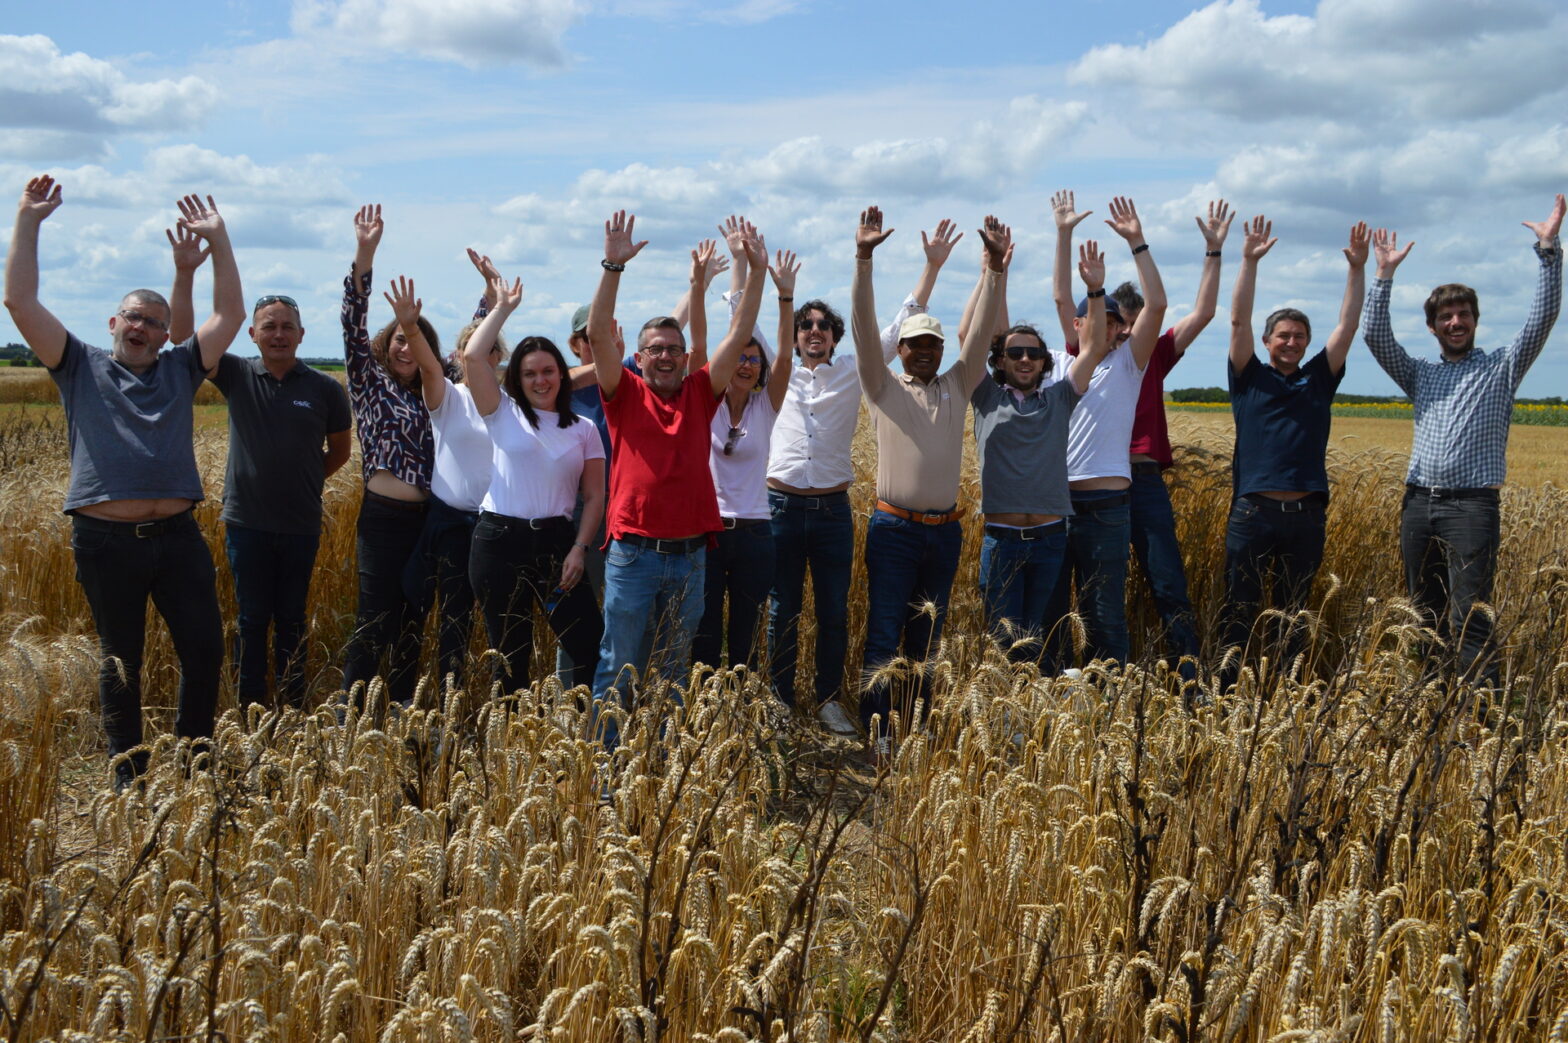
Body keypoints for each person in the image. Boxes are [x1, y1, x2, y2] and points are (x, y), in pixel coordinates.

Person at [4, 177, 244, 789]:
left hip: (179, 536)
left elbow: (231, 315)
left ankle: (193, 768)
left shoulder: (182, 368)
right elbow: (19, 302)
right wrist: (29, 220)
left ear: (168, 335)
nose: (142, 327)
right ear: (115, 321)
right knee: (122, 663)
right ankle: (128, 782)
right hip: (106, 542)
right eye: (134, 317)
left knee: (205, 649)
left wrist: (220, 243)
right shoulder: (77, 364)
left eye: (155, 322)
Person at [766, 219, 961, 736]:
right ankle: (781, 700)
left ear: (833, 337)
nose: (813, 332)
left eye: (821, 326)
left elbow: (902, 322)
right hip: (780, 508)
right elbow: (746, 329)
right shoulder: (774, 368)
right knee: (781, 611)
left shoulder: (856, 369)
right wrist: (751, 274)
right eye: (805, 326)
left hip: (830, 511)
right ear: (795, 336)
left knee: (833, 611)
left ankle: (830, 700)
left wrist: (932, 266)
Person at [1363, 195, 1564, 684]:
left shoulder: (1501, 367)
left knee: (1470, 617)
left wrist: (1549, 251)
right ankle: (1429, 705)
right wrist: (1383, 277)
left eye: (1464, 315)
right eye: (1446, 317)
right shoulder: (1420, 374)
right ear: (1433, 327)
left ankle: (1478, 720)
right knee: (1423, 617)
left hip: (1472, 510)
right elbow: (1374, 335)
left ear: (1475, 320)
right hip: (1417, 506)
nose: (1456, 322)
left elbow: (1542, 319)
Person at [587, 214, 768, 741]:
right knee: (617, 669)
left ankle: (659, 770)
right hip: (633, 556)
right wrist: (613, 266)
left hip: (690, 558)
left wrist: (754, 271)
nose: (665, 356)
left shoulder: (700, 392)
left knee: (671, 673)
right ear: (638, 359)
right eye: (655, 349)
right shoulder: (622, 394)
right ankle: (604, 775)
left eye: (673, 349)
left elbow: (739, 334)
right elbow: (599, 332)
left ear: (686, 358)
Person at [171, 249, 351, 711]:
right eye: (268, 326)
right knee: (251, 619)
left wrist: (305, 481)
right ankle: (251, 705)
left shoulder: (326, 389)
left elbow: (341, 452)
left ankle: (291, 704)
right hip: (246, 523)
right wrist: (186, 272)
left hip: (300, 523)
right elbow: (187, 342)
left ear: (302, 335)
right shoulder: (234, 373)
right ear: (251, 334)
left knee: (292, 618)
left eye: (286, 326)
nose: (277, 334)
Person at [853, 205, 1007, 739]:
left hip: (944, 534)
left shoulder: (957, 385)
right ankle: (879, 734)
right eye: (915, 345)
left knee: (927, 641)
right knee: (883, 635)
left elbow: (984, 330)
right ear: (900, 351)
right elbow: (863, 326)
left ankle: (914, 731)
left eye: (932, 345)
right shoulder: (882, 386)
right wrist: (864, 259)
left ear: (943, 350)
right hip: (893, 531)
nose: (924, 352)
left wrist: (995, 269)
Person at [1063, 199, 1234, 676]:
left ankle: (1188, 678)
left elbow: (1202, 311)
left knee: (1166, 582)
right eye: (1116, 322)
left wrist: (1213, 253)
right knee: (1088, 591)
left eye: (1131, 323)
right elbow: (1063, 300)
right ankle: (1085, 677)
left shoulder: (1151, 354)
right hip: (1091, 487)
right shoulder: (1078, 360)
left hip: (1141, 479)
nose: (1125, 331)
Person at [1223, 217, 1369, 675]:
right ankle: (1228, 695)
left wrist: (1357, 269)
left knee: (1293, 617)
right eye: (1283, 336)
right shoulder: (1249, 377)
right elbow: (1238, 318)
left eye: (1299, 337)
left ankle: (1285, 695)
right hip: (1253, 513)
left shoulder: (1318, 379)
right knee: (1239, 611)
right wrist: (1248, 260)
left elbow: (1347, 326)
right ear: (1267, 342)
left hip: (1306, 516)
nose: (1291, 342)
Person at [454, 272, 606, 691]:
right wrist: (502, 308)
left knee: (586, 644)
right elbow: (472, 357)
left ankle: (581, 740)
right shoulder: (501, 411)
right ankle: (511, 748)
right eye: (529, 374)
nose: (541, 381)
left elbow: (594, 497)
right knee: (508, 656)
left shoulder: (584, 428)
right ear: (517, 380)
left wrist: (579, 549)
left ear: (562, 373)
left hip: (558, 549)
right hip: (499, 544)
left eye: (548, 371)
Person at [1045, 194, 1168, 669]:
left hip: (1108, 508)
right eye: (1096, 317)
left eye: (1113, 320)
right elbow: (1060, 295)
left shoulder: (1129, 364)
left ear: (1121, 328)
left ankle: (1106, 706)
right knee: (1053, 616)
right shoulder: (1058, 365)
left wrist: (1137, 242)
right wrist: (1062, 234)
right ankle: (1054, 700)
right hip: (1055, 506)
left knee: (1105, 617)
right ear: (1076, 325)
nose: (1105, 326)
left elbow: (1156, 303)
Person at [972, 241, 1108, 663]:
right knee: (1003, 641)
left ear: (1045, 362)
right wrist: (995, 275)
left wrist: (1096, 292)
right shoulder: (985, 396)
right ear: (1000, 360)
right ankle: (1005, 724)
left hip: (1050, 540)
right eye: (1015, 352)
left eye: (1033, 352)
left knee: (1038, 641)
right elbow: (975, 336)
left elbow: (1095, 348)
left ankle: (1029, 723)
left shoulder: (1060, 398)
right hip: (1003, 541)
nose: (1025, 358)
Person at [339, 204, 439, 707]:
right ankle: (346, 720)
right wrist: (365, 253)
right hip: (382, 519)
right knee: (373, 621)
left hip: (426, 520)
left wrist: (489, 301)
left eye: (413, 340)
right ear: (386, 343)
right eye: (398, 337)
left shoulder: (439, 394)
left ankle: (403, 716)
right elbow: (351, 325)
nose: (405, 348)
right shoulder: (368, 383)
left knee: (411, 622)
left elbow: (470, 358)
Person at [388, 262, 499, 695]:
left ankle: (498, 710)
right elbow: (430, 369)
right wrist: (412, 329)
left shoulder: (512, 404)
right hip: (451, 526)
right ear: (458, 357)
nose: (478, 356)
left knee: (496, 624)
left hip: (495, 530)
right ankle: (445, 706)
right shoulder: (448, 397)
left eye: (488, 349)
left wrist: (493, 291)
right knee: (452, 621)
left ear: (498, 357)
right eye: (469, 350)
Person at [693, 244, 798, 673]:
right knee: (704, 632)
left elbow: (787, 357)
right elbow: (699, 347)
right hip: (709, 533)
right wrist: (699, 287)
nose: (748, 364)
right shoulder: (706, 402)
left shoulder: (766, 407)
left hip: (756, 533)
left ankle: (739, 718)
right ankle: (700, 716)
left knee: (745, 635)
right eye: (740, 355)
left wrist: (785, 298)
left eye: (754, 359)